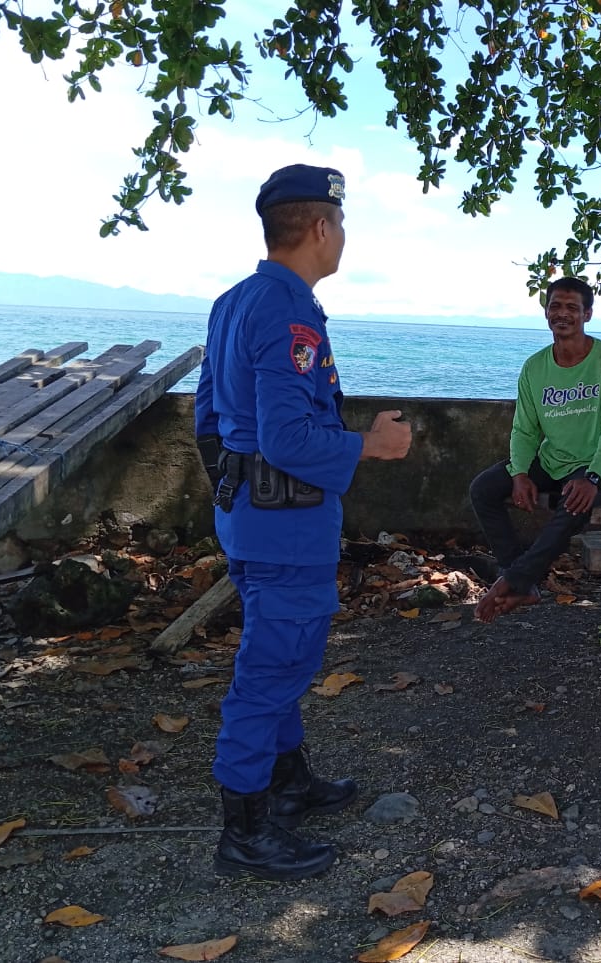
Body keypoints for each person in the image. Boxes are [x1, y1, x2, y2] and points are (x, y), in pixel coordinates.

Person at [193, 164, 413, 880]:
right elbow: (287, 439)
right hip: (285, 529)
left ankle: (286, 782)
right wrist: (371, 444)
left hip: (251, 521)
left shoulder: (233, 302)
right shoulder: (289, 312)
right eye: (340, 223)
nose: (343, 236)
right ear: (320, 228)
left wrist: (236, 495)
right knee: (271, 668)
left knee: (280, 659)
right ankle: (247, 830)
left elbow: (207, 423)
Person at [470, 277, 601, 623]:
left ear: (587, 313)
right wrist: (521, 473)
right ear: (546, 312)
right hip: (551, 461)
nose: (563, 313)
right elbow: (525, 429)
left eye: (572, 307)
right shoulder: (534, 367)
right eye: (555, 305)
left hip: (596, 466)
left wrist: (592, 477)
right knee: (483, 488)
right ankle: (517, 573)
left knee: (573, 503)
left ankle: (514, 579)